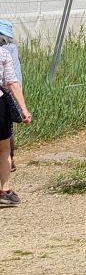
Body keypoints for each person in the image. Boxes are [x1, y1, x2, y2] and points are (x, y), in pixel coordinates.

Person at [0, 44, 31, 207]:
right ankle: (4, 191)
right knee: (4, 148)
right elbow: (12, 82)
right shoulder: (3, 53)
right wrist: (23, 109)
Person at [0, 20, 22, 173]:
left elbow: (13, 80)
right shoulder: (9, 49)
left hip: (7, 93)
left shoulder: (7, 50)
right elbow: (14, 80)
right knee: (6, 134)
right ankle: (9, 160)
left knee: (6, 134)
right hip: (7, 94)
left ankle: (10, 159)